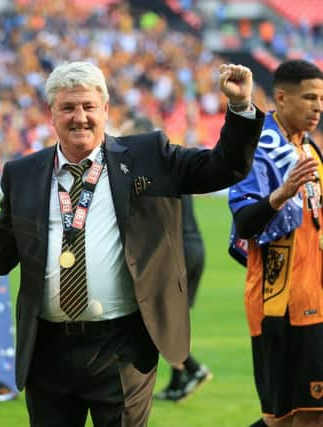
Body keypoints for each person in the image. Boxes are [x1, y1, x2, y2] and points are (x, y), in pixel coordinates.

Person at [0, 60, 264, 426]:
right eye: (68, 107)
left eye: (89, 107)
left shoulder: (149, 155)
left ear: (105, 109)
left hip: (122, 347)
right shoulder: (22, 174)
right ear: (51, 113)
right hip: (46, 350)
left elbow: (223, 167)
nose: (80, 117)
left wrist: (240, 108)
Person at [228, 59, 323, 427]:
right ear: (281, 98)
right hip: (280, 304)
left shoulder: (309, 149)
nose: (317, 106)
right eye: (309, 97)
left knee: (307, 415)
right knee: (286, 419)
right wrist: (281, 194)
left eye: (321, 99)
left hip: (313, 298)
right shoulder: (260, 147)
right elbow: (245, 223)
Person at [125, 117, 213, 403]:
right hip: (194, 246)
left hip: (175, 253)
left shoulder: (147, 168)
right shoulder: (171, 162)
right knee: (170, 320)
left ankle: (193, 368)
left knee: (156, 321)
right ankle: (178, 383)